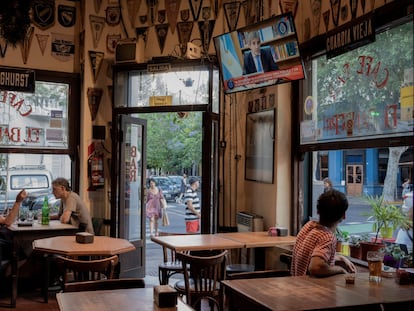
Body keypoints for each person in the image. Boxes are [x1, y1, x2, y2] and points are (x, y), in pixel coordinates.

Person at [291, 189, 356, 277]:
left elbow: (313, 255)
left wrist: (340, 257)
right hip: (311, 289)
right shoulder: (327, 237)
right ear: (343, 216)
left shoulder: (309, 226)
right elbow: (316, 267)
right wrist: (340, 270)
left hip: (296, 285)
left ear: (318, 211)